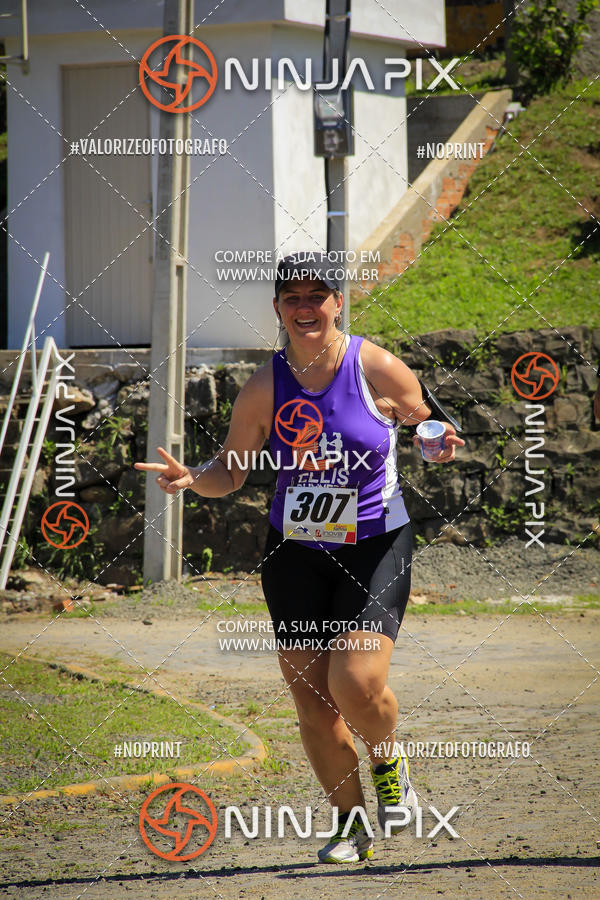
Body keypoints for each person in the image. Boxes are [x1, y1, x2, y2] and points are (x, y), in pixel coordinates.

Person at [135, 251, 465, 863]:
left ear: (338, 303)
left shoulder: (374, 366)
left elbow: (427, 425)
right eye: (293, 298)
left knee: (356, 683)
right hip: (294, 554)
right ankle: (350, 825)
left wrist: (435, 442)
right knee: (313, 701)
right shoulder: (265, 385)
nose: (306, 307)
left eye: (318, 296)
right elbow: (230, 474)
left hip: (373, 546)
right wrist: (192, 479)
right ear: (278, 309)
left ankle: (389, 760)